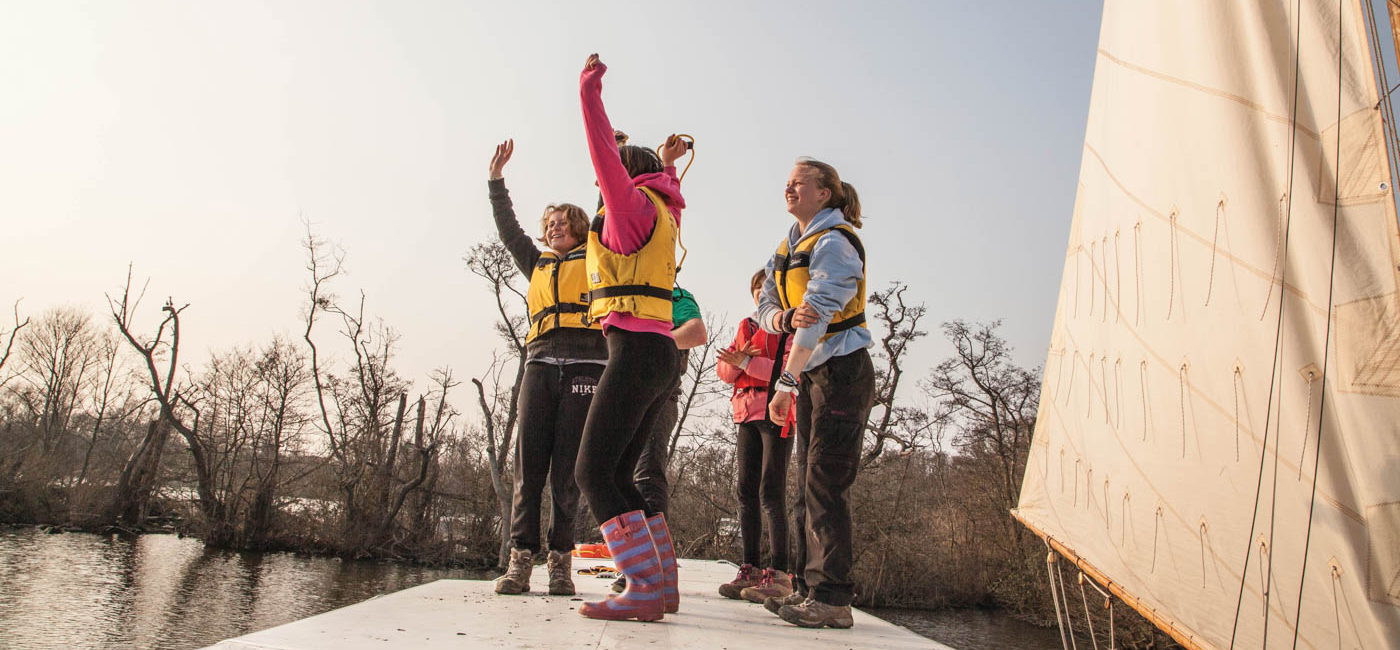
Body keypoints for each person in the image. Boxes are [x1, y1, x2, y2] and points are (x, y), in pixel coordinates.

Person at [573, 53, 689, 622]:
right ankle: (661, 584)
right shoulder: (662, 210)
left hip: (638, 354)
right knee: (620, 473)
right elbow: (634, 171)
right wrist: (663, 164)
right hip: (659, 355)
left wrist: (588, 90)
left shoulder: (627, 208)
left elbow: (601, 153)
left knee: (592, 471)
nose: (600, 185)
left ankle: (641, 585)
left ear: (622, 176)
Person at [484, 139, 604, 597]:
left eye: (562, 223)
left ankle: (561, 563)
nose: (555, 228)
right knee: (527, 468)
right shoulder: (535, 263)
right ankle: (519, 562)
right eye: (549, 224)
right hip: (539, 364)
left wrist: (605, 157)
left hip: (585, 368)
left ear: (577, 227)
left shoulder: (595, 257)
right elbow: (508, 229)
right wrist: (497, 182)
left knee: (567, 474)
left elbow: (607, 210)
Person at [758, 158, 873, 629]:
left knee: (826, 481)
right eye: (786, 183)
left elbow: (819, 313)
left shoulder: (835, 242)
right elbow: (767, 304)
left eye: (799, 183)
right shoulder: (787, 246)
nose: (788, 188)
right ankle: (807, 588)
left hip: (841, 373)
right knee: (806, 480)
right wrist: (783, 318)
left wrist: (785, 380)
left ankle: (832, 598)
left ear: (825, 193)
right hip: (811, 374)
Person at [610, 283, 705, 595]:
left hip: (658, 395)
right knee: (612, 476)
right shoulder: (621, 294)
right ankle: (637, 563)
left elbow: (696, 332)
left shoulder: (676, 296)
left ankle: (653, 568)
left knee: (646, 474)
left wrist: (652, 344)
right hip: (618, 396)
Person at [715, 270, 794, 603]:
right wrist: (743, 362)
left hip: (776, 413)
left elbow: (787, 370)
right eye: (757, 288)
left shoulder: (791, 327)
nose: (762, 292)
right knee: (745, 489)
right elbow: (724, 370)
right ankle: (749, 567)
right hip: (745, 413)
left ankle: (780, 573)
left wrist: (747, 361)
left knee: (771, 491)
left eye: (768, 287)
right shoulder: (746, 326)